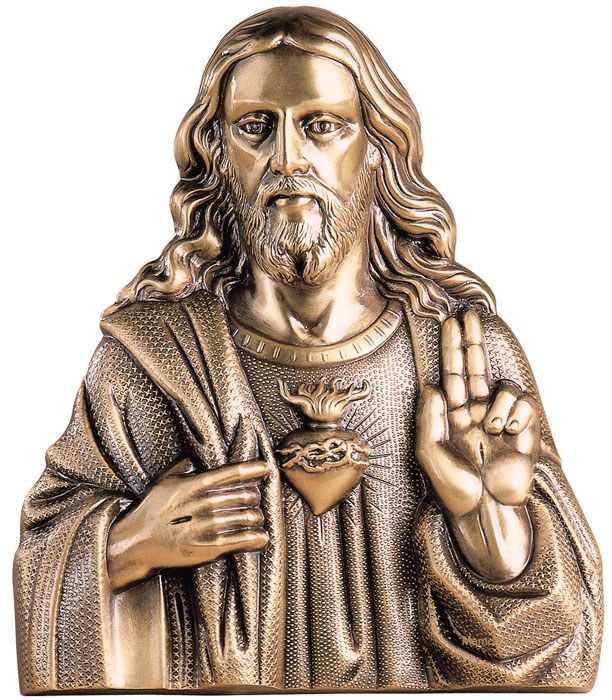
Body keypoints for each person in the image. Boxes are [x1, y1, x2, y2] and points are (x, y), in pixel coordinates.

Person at [14, 7, 602, 694]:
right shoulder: (152, 362)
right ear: (220, 155)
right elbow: (46, 558)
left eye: (322, 125)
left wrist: (488, 526)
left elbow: (565, 656)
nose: (287, 158)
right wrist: (131, 543)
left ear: (376, 148)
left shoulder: (462, 359)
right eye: (255, 127)